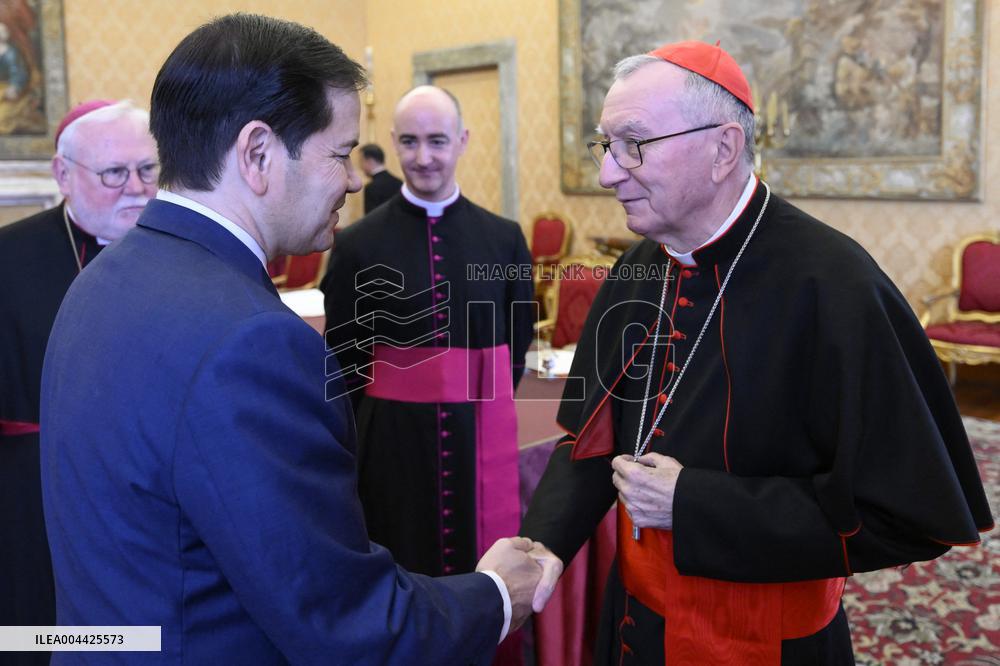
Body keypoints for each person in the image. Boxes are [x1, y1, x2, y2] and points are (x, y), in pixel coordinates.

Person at [41, 15, 556, 664]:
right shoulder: (251, 342)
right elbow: (342, 621)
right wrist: (496, 596)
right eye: (339, 153)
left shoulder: (102, 278)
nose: (352, 179)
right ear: (258, 154)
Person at [519, 41, 993, 665]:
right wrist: (544, 545)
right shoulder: (636, 270)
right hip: (636, 625)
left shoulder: (834, 285)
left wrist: (696, 504)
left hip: (766, 643)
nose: (608, 173)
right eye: (605, 145)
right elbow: (591, 441)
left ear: (722, 149)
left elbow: (908, 516)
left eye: (634, 144)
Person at [321, 85, 535, 582]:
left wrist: (476, 403)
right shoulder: (355, 244)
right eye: (410, 142)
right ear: (393, 142)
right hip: (390, 445)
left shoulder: (503, 239)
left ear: (462, 140)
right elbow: (345, 361)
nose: (424, 157)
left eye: (437, 141)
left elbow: (516, 345)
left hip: (476, 436)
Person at [0, 98, 156, 665]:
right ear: (62, 174)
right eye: (114, 173)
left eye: (147, 169)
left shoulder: (185, 251)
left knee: (147, 638)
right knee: (42, 639)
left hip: (154, 498)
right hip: (34, 502)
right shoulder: (8, 259)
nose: (136, 188)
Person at [359, 142, 402, 213]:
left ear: (370, 161)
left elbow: (370, 219)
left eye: (361, 161)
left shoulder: (371, 187)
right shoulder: (399, 182)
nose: (361, 166)